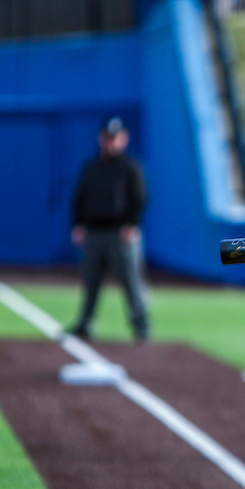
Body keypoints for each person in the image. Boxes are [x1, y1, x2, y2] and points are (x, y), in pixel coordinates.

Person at [68, 116, 151, 342]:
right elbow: (80, 197)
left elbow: (140, 198)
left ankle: (141, 323)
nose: (111, 142)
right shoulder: (92, 167)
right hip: (94, 231)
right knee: (90, 280)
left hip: (120, 233)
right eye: (108, 137)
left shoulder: (130, 167)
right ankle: (85, 322)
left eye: (116, 138)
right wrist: (77, 224)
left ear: (124, 139)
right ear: (101, 138)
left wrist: (133, 224)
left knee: (131, 281)